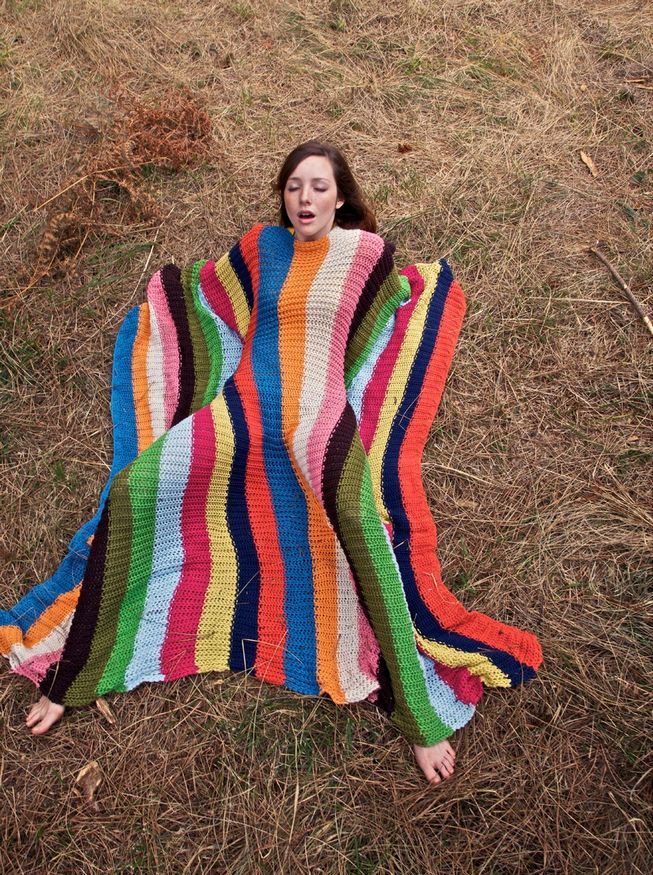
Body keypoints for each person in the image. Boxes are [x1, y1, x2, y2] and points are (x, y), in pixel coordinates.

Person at [2, 141, 542, 785]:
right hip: (243, 407)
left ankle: (418, 716)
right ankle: (73, 677)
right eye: (293, 187)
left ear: (341, 196)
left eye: (318, 187)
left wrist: (348, 391)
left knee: (364, 532)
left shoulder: (367, 256)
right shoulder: (261, 247)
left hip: (319, 416)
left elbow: (376, 322)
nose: (304, 199)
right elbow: (219, 293)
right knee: (132, 493)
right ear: (282, 196)